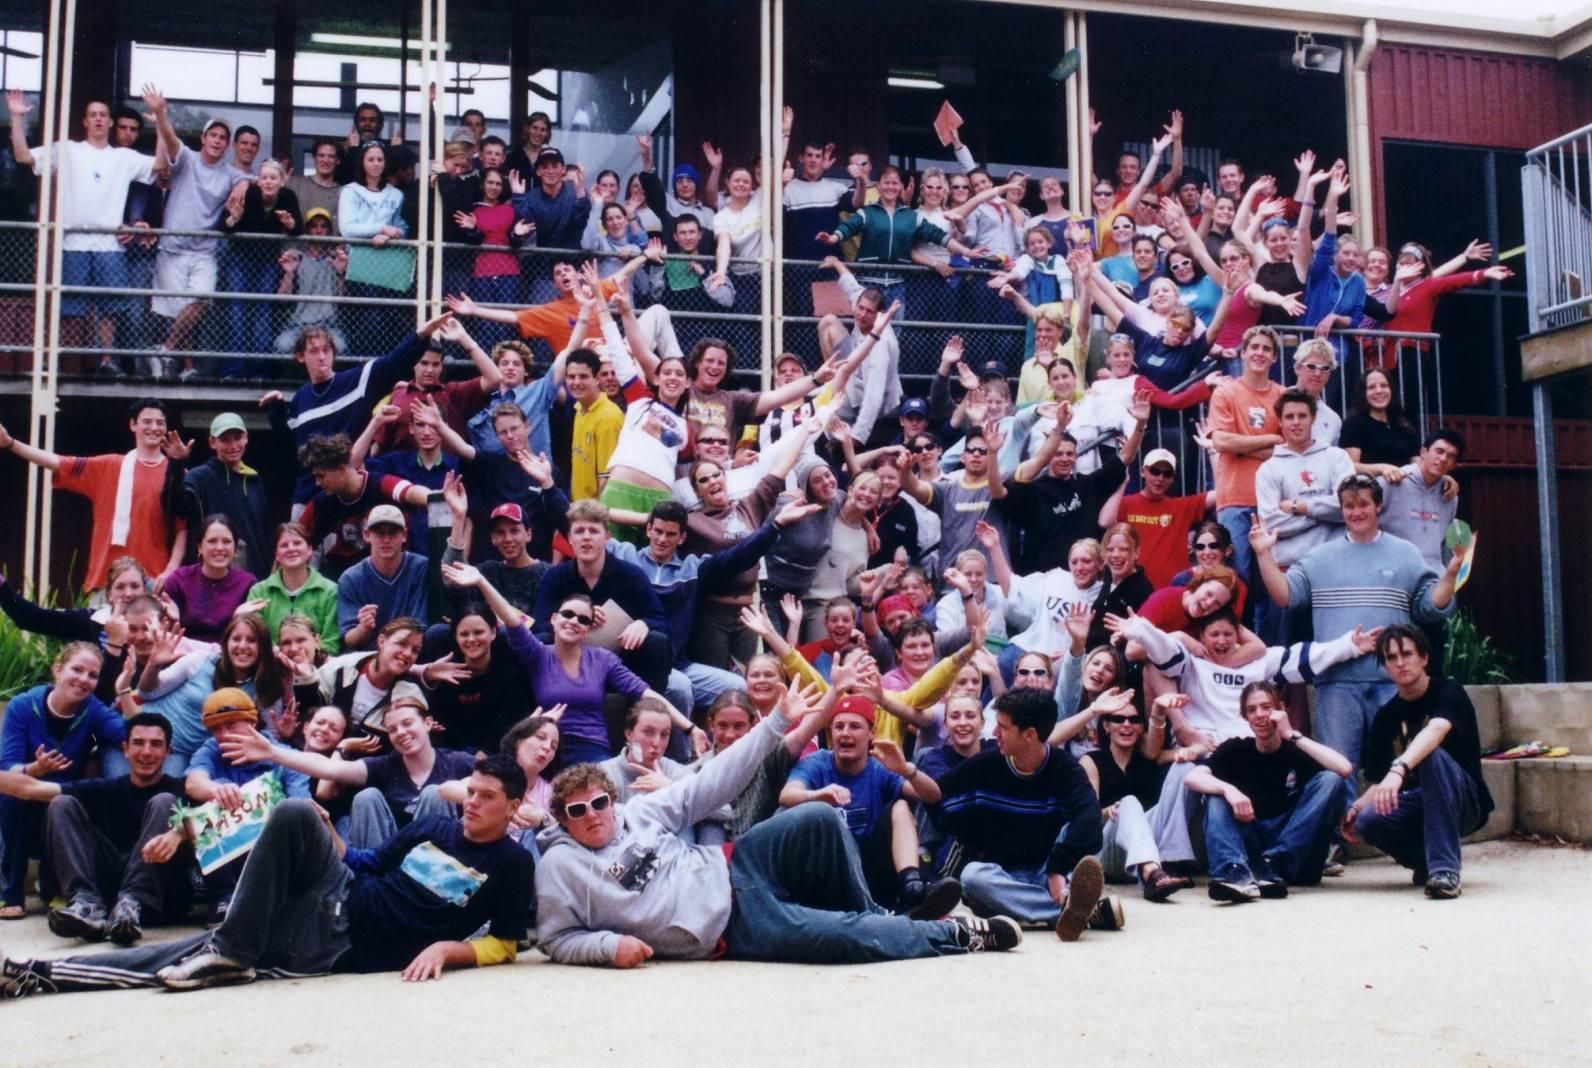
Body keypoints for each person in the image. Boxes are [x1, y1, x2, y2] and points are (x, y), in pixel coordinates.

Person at [534, 684, 1022, 966]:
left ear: (612, 799)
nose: (592, 815)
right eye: (577, 811)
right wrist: (607, 946)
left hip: (736, 863)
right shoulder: (559, 867)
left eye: (599, 802)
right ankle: (956, 935)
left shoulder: (637, 812)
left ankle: (884, 918)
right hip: (729, 926)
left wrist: (774, 723)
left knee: (819, 816)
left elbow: (712, 784)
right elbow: (556, 939)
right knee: (845, 937)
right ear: (562, 819)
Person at [0, 752, 534, 996]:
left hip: (342, 940)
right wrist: (329, 835)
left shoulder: (512, 864)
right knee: (296, 811)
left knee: (180, 952)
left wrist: (447, 949)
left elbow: (506, 944)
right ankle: (232, 948)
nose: (471, 803)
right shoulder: (436, 827)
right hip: (342, 889)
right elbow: (366, 862)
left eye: (486, 798)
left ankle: (41, 973)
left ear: (513, 808)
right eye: (471, 792)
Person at [1250, 474, 1462, 774]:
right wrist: (1263, 554)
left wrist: (1451, 574)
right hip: (1335, 683)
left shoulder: (1406, 553)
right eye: (1349, 506)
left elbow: (1430, 606)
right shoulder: (1318, 557)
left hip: (1392, 682)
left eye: (1364, 504)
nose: (1356, 512)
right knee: (1338, 770)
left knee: (1399, 769)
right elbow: (1285, 596)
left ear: (1379, 506)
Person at [932, 688, 1107, 941]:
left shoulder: (1064, 768)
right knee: (973, 876)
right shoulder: (985, 764)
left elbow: (1090, 816)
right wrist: (906, 774)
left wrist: (1056, 868)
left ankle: (1068, 904)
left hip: (1048, 871)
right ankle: (1075, 911)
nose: (994, 733)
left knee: (1081, 834)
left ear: (1029, 735)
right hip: (1004, 879)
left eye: (1003, 727)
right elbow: (938, 797)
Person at [0, 712, 186, 944]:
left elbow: (213, 819)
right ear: (125, 749)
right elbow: (30, 789)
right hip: (108, 900)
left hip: (159, 902)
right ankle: (86, 904)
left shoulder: (182, 789)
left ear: (168, 752)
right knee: (61, 803)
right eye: (138, 743)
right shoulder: (106, 789)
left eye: (156, 745)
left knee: (165, 802)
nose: (146, 752)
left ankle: (133, 902)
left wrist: (179, 834)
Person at [6, 90, 160, 365]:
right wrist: (16, 118)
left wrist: (161, 122)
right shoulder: (67, 150)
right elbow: (23, 157)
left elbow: (160, 165)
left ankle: (107, 362)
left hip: (110, 246)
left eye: (103, 115)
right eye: (93, 115)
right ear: (85, 121)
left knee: (110, 309)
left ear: (110, 122)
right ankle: (54, 360)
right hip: (73, 243)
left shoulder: (123, 156)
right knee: (67, 308)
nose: (98, 119)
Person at [1344, 625, 1494, 900]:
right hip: (1418, 802)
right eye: (1391, 658)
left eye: (1407, 654)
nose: (1400, 663)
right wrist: (1355, 808)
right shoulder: (1386, 716)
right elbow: (1381, 783)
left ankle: (1445, 871)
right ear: (1385, 667)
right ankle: (1425, 863)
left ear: (1424, 658)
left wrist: (1399, 768)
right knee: (1368, 820)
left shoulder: (1449, 691)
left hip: (1464, 800)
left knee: (1431, 755)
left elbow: (1436, 729)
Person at [779, 694, 961, 918]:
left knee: (900, 806)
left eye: (855, 726)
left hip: (870, 873)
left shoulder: (878, 767)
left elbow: (932, 796)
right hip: (828, 873)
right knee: (788, 813)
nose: (845, 733)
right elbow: (787, 795)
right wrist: (818, 796)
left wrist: (906, 770)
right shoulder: (817, 763)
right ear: (831, 733)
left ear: (872, 733)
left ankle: (912, 889)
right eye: (839, 727)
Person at [221, 693, 476, 849]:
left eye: (407, 723)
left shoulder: (458, 762)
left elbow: (496, 783)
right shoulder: (387, 766)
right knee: (366, 797)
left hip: (441, 865)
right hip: (392, 863)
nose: (401, 733)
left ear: (428, 723)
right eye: (393, 729)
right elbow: (329, 768)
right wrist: (272, 752)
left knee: (435, 793)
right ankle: (375, 886)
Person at [261, 310, 455, 509]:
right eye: (314, 351)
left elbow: (392, 363)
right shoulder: (300, 398)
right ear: (300, 356)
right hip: (307, 496)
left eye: (327, 350)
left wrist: (421, 336)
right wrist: (276, 408)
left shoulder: (356, 381)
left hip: (348, 495)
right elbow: (288, 449)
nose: (321, 357)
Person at [1185, 681, 1354, 902]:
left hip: (1297, 858)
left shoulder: (1299, 749)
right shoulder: (1235, 749)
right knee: (1217, 795)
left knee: (1331, 780)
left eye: (1266, 707)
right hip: (1253, 852)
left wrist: (1291, 734)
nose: (1259, 715)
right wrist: (1229, 789)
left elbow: (1344, 768)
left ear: (1281, 709)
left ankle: (1275, 862)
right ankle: (1233, 873)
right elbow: (1192, 778)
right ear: (1245, 717)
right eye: (1251, 710)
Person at [0, 398, 186, 594]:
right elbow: (58, 462)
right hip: (107, 580)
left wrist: (170, 571)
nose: (154, 428)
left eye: (160, 423)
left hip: (153, 579)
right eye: (147, 421)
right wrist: (10, 443)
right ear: (133, 425)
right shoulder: (108, 466)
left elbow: (183, 528)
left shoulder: (177, 475)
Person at [0, 643, 126, 920]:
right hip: (21, 799)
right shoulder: (23, 706)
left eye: (92, 675)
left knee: (70, 804)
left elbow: (129, 736)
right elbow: (7, 766)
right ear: (58, 670)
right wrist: (35, 769)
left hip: (61, 800)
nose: (83, 679)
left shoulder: (92, 710)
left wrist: (125, 690)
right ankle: (10, 892)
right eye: (76, 670)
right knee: (13, 800)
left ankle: (53, 887)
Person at [140, 86, 250, 378]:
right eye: (213, 135)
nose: (217, 140)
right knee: (180, 311)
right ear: (203, 138)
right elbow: (170, 138)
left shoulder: (230, 173)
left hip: (204, 253)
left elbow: (256, 178)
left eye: (222, 137)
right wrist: (161, 112)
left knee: (199, 300)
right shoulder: (187, 158)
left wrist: (244, 183)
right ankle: (186, 367)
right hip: (173, 248)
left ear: (227, 145)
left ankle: (165, 350)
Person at [1253, 388, 1356, 639]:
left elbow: (1349, 506)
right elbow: (1271, 524)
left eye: (1302, 416)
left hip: (1335, 567)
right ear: (1280, 422)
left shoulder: (1337, 458)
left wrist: (1301, 507)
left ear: (1313, 419)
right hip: (1289, 572)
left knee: (1336, 645)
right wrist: (1325, 514)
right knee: (1291, 651)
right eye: (1289, 417)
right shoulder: (1268, 469)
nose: (1296, 422)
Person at [1079, 699, 1196, 902]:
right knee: (1130, 802)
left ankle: (1171, 861)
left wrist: (1196, 749)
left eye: (1134, 720)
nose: (1127, 725)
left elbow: (1196, 749)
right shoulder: (1091, 761)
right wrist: (1109, 811)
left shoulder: (1149, 760)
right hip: (1110, 851)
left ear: (1141, 727)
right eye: (1118, 719)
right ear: (1106, 726)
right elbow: (1087, 817)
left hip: (1149, 842)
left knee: (1185, 768)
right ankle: (1150, 872)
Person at [1209, 325, 1286, 620]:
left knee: (1271, 582)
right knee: (1235, 580)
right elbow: (1221, 441)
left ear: (1275, 357)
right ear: (1243, 352)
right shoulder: (1226, 392)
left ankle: (1269, 646)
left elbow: (1287, 450)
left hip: (1272, 502)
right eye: (1254, 347)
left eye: (1266, 349)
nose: (1259, 353)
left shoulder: (1283, 396)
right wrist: (1270, 439)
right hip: (1234, 499)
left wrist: (1240, 446)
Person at [178, 413, 272, 578]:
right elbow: (177, 506)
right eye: (225, 440)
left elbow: (264, 533)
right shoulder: (198, 477)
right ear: (212, 442)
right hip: (213, 575)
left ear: (246, 438)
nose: (233, 445)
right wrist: (176, 464)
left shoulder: (254, 480)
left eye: (238, 438)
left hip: (255, 576)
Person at [1110, 447, 1213, 589]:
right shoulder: (1124, 504)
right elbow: (1104, 522)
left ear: (1172, 478)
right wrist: (1122, 481)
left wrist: (1213, 451)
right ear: (1143, 471)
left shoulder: (1182, 506)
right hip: (1134, 591)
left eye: (1167, 474)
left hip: (1173, 592)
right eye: (1155, 471)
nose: (1160, 478)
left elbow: (1222, 493)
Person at [337, 505, 432, 650]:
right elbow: (349, 640)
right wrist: (363, 628)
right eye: (379, 533)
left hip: (411, 650)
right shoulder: (350, 578)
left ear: (404, 535)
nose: (386, 539)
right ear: (367, 535)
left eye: (393, 533)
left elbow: (420, 627)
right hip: (371, 656)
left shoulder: (421, 568)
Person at [245, 522, 342, 654]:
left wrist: (305, 659)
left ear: (309, 550)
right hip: (271, 663)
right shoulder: (259, 591)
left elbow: (332, 641)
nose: (291, 549)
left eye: (297, 543)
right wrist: (280, 657)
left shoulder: (330, 591)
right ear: (276, 555)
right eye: (284, 545)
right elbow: (255, 636)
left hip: (318, 664)